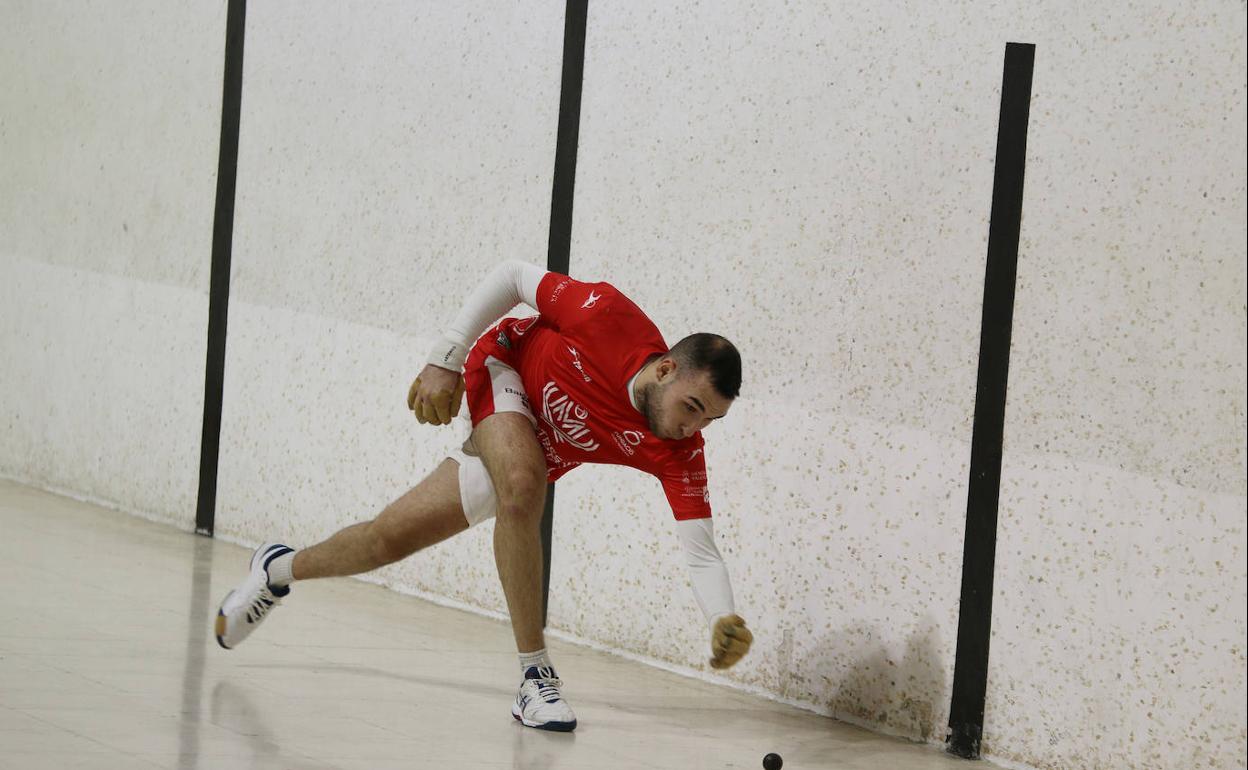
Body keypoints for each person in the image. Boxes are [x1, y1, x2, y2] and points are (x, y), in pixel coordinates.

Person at [213, 260, 754, 732]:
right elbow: (513, 275)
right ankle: (534, 677)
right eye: (691, 406)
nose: (694, 427)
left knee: (386, 540)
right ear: (664, 369)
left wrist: (721, 618)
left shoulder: (678, 451)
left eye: (711, 418)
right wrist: (445, 356)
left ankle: (276, 570)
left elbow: (702, 550)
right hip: (504, 368)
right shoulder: (605, 315)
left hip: (530, 445)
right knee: (522, 485)